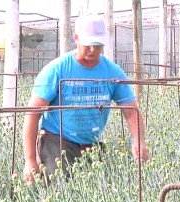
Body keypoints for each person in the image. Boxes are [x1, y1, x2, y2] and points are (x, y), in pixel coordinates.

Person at [22, 14, 150, 185]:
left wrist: (138, 141)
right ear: (76, 38)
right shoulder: (57, 70)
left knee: (97, 193)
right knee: (58, 190)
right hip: (57, 141)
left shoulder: (112, 72)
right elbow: (32, 114)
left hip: (91, 143)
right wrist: (30, 160)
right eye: (88, 44)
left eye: (97, 45)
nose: (93, 50)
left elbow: (131, 110)